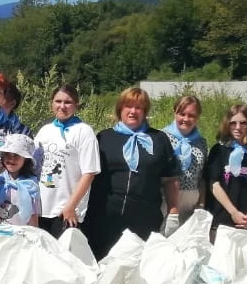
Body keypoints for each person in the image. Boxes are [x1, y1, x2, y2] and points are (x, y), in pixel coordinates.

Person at [88, 87, 180, 259]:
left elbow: (170, 179)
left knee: (138, 265)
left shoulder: (159, 139)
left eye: (139, 107)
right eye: (128, 106)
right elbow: (88, 176)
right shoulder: (104, 138)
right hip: (105, 217)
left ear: (145, 112)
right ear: (120, 109)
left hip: (144, 217)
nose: (133, 111)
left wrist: (173, 211)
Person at [33, 84, 100, 239]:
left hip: (66, 210)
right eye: (58, 101)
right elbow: (34, 165)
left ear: (76, 105)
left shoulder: (84, 132)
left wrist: (71, 206)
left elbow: (89, 173)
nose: (62, 106)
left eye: (68, 102)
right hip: (41, 208)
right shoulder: (45, 130)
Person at [204, 104, 247, 237]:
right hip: (221, 221)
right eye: (233, 123)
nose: (238, 127)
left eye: (243, 123)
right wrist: (233, 212)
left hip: (246, 221)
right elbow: (214, 185)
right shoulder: (219, 150)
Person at [160, 95, 208, 234]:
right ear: (174, 112)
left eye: (191, 115)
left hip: (191, 199)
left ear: (197, 117)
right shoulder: (162, 137)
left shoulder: (201, 142)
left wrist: (201, 204)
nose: (186, 119)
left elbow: (202, 176)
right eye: (182, 114)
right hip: (165, 198)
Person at [0, 133, 41, 226]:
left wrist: (34, 232)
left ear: (25, 159)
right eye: (7, 155)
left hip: (22, 231)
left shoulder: (30, 185)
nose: (11, 159)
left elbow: (33, 215)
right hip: (0, 231)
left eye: (16, 155)